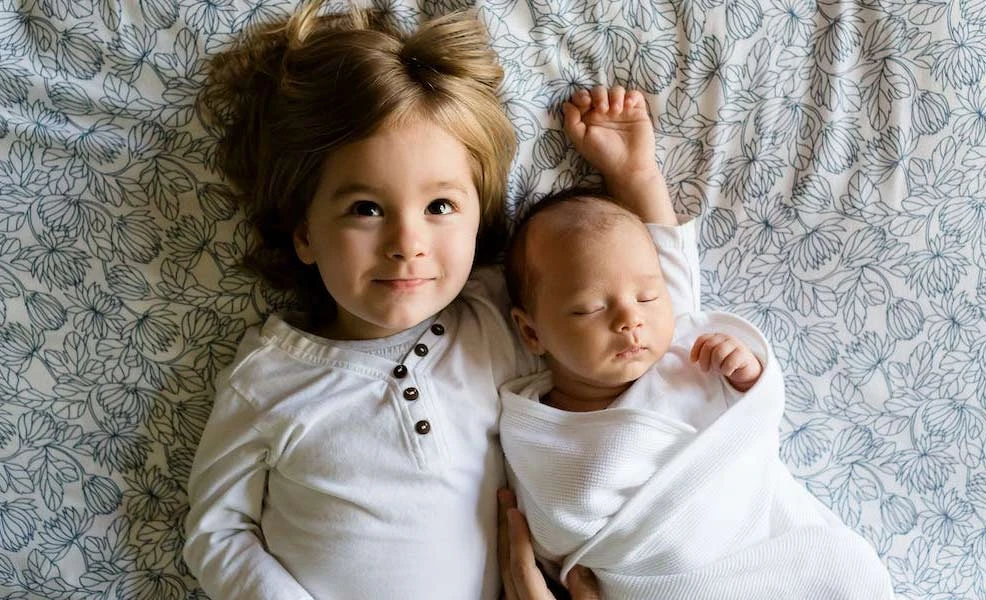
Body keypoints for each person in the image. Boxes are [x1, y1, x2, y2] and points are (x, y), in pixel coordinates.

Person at [182, 1, 600, 598]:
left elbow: (633, 323)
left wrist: (635, 179)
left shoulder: (501, 322)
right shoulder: (269, 380)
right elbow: (217, 531)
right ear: (304, 233)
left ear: (479, 218)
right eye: (366, 209)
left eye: (439, 208)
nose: (408, 245)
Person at [499, 85, 896, 598]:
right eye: (590, 308)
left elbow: (664, 254)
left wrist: (633, 171)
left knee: (847, 573)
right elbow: (557, 531)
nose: (629, 319)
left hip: (772, 553)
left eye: (647, 296)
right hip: (675, 579)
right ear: (532, 331)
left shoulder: (683, 346)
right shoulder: (536, 429)